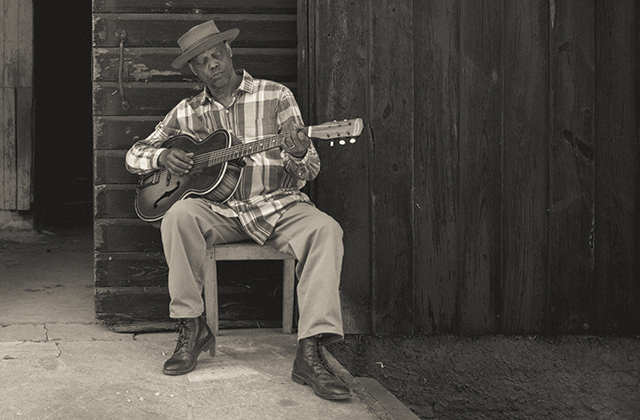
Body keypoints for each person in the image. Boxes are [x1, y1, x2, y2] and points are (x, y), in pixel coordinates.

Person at [125, 20, 351, 400]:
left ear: (230, 54)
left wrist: (297, 150)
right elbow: (135, 155)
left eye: (217, 55)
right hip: (220, 211)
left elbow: (309, 169)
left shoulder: (275, 96)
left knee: (326, 230)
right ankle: (192, 326)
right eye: (202, 61)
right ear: (194, 70)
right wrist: (163, 154)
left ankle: (311, 352)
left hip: (277, 205)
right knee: (178, 216)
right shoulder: (187, 111)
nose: (213, 65)